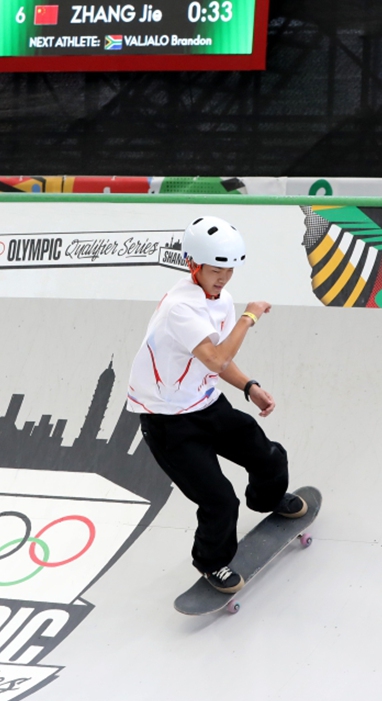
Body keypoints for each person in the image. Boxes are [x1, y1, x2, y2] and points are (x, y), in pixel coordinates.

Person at [126, 216, 306, 593]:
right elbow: (216, 359)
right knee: (220, 500)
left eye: (229, 270)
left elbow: (220, 358)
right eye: (215, 270)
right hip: (169, 424)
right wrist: (249, 317)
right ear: (193, 264)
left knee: (268, 456)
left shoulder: (220, 300)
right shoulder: (179, 307)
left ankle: (268, 499)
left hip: (207, 405)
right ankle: (212, 564)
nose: (223, 278)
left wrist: (249, 387)